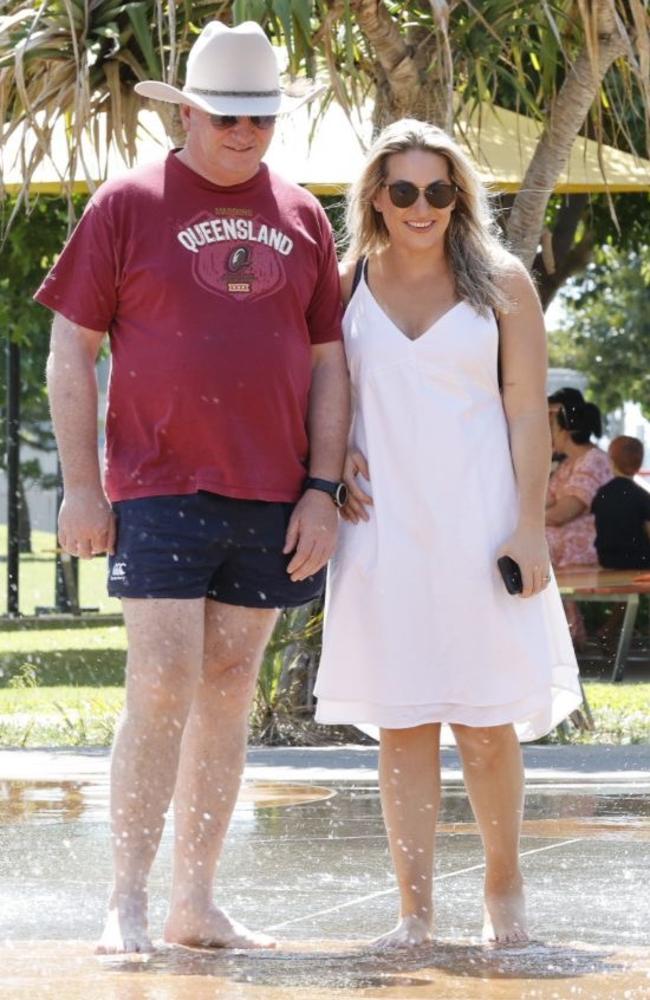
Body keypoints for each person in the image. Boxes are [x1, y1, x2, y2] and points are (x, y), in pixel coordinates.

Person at [36, 21, 349, 954]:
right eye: (227, 115)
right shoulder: (125, 203)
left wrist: (323, 488)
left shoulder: (303, 215)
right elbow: (69, 351)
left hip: (274, 491)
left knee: (226, 686)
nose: (245, 132)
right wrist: (81, 489)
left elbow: (330, 364)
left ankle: (194, 901)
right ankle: (126, 898)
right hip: (157, 483)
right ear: (190, 112)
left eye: (260, 115)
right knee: (163, 680)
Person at [313, 119, 582, 949]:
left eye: (439, 190)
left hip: (480, 525)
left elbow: (526, 415)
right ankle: (414, 912)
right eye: (404, 191)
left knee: (485, 724)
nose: (422, 206)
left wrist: (528, 530)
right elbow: (321, 388)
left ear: (458, 197)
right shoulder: (345, 280)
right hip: (381, 528)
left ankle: (506, 894)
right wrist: (334, 453)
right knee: (403, 725)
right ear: (376, 199)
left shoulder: (502, 282)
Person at [546, 387, 612, 567]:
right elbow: (544, 502)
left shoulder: (593, 460)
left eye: (551, 424)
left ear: (564, 429)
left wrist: (529, 522)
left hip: (585, 546)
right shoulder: (568, 464)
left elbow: (564, 512)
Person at [592, 436, 650, 569]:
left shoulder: (602, 493)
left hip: (607, 560)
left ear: (611, 460)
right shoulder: (642, 495)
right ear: (639, 463)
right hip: (640, 560)